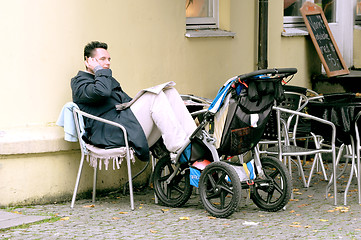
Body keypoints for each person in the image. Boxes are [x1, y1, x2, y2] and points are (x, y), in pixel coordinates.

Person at [71, 41, 197, 162]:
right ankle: (179, 149)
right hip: (112, 133)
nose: (108, 63)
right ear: (88, 61)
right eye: (102, 59)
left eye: (109, 59)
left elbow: (127, 102)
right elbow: (102, 92)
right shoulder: (79, 82)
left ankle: (195, 142)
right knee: (154, 96)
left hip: (126, 125)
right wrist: (100, 70)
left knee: (169, 92)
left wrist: (167, 106)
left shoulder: (104, 78)